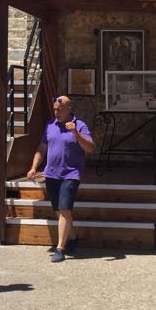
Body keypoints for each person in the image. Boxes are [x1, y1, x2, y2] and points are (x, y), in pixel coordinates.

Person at [27, 95, 94, 263]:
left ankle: (60, 249)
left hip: (71, 174)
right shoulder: (50, 125)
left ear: (69, 109)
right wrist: (34, 167)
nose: (57, 112)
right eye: (55, 109)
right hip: (51, 174)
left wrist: (75, 133)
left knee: (64, 210)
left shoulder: (80, 125)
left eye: (60, 109)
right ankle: (73, 237)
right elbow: (42, 148)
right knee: (59, 210)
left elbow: (90, 148)